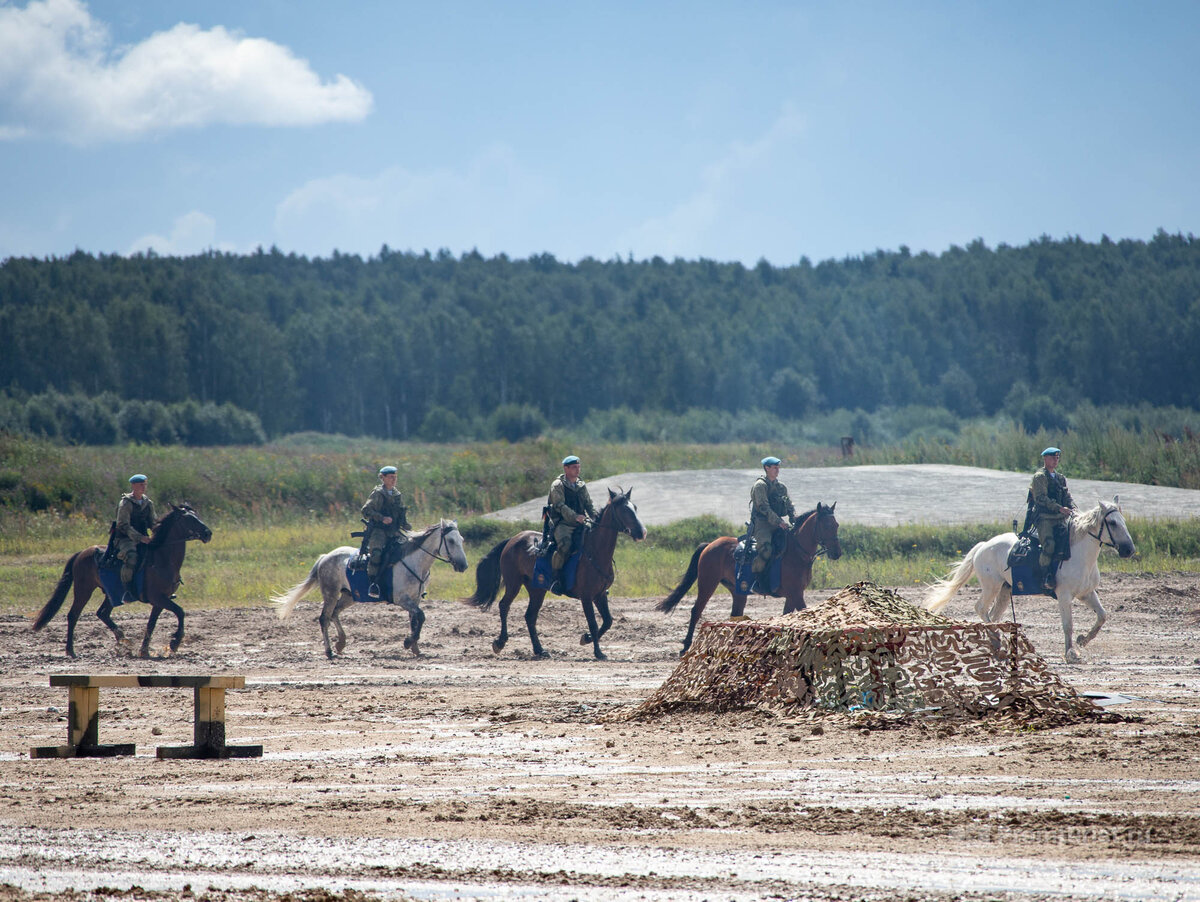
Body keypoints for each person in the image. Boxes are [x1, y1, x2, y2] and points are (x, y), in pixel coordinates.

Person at [547, 455, 598, 593]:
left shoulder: (581, 484)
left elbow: (588, 503)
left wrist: (595, 517)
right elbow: (559, 506)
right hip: (563, 524)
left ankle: (595, 582)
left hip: (581, 522)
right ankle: (555, 578)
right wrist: (575, 517)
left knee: (595, 542)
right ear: (566, 468)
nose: (577, 470)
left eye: (578, 467)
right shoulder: (557, 485)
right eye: (574, 467)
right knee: (565, 545)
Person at [1028, 446, 1075, 592]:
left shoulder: (1060, 478)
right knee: (1049, 545)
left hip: (1060, 518)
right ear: (1045, 459)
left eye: (1057, 458)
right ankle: (1046, 576)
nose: (1055, 460)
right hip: (1045, 518)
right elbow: (1041, 498)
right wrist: (1060, 508)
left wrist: (1073, 508)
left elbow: (1067, 496)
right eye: (1052, 458)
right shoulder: (1040, 477)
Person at [362, 466, 411, 598]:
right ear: (383, 478)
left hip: (394, 531)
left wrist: (405, 524)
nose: (394, 479)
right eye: (390, 477)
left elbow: (400, 513)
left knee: (409, 548)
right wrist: (382, 518)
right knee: (376, 552)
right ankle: (373, 583)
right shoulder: (377, 493)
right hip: (379, 531)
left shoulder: (397, 494)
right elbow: (366, 511)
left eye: (395, 477)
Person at [750, 456, 797, 580]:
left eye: (778, 467)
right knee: (766, 549)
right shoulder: (760, 486)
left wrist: (794, 518)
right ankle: (756, 578)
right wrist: (779, 521)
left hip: (779, 524)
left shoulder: (781, 487)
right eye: (775, 467)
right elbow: (763, 507)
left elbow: (789, 504)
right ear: (767, 468)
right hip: (763, 524)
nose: (777, 470)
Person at [115, 473, 156, 603]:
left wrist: (158, 533)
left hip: (144, 537)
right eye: (140, 485)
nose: (143, 487)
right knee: (131, 557)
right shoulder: (126, 503)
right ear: (133, 486)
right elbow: (123, 525)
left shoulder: (148, 503)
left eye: (144, 484)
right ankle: (127, 591)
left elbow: (153, 522)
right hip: (125, 539)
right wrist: (140, 538)